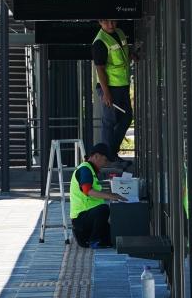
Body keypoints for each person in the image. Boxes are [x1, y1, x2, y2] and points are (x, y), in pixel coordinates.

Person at [92, 18, 133, 162]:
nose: (111, 25)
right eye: (107, 22)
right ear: (100, 22)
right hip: (110, 88)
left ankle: (110, 153)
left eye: (113, 21)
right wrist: (106, 93)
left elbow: (123, 53)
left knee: (127, 117)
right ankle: (107, 156)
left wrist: (132, 56)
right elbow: (100, 69)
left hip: (122, 84)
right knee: (109, 121)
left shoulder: (120, 32)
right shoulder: (100, 42)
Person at [70, 142, 125, 248]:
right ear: (96, 156)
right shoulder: (85, 169)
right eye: (105, 160)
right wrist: (111, 196)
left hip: (88, 220)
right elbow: (87, 190)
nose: (106, 164)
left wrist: (111, 194)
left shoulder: (90, 170)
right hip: (81, 219)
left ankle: (95, 239)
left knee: (113, 238)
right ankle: (94, 240)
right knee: (104, 209)